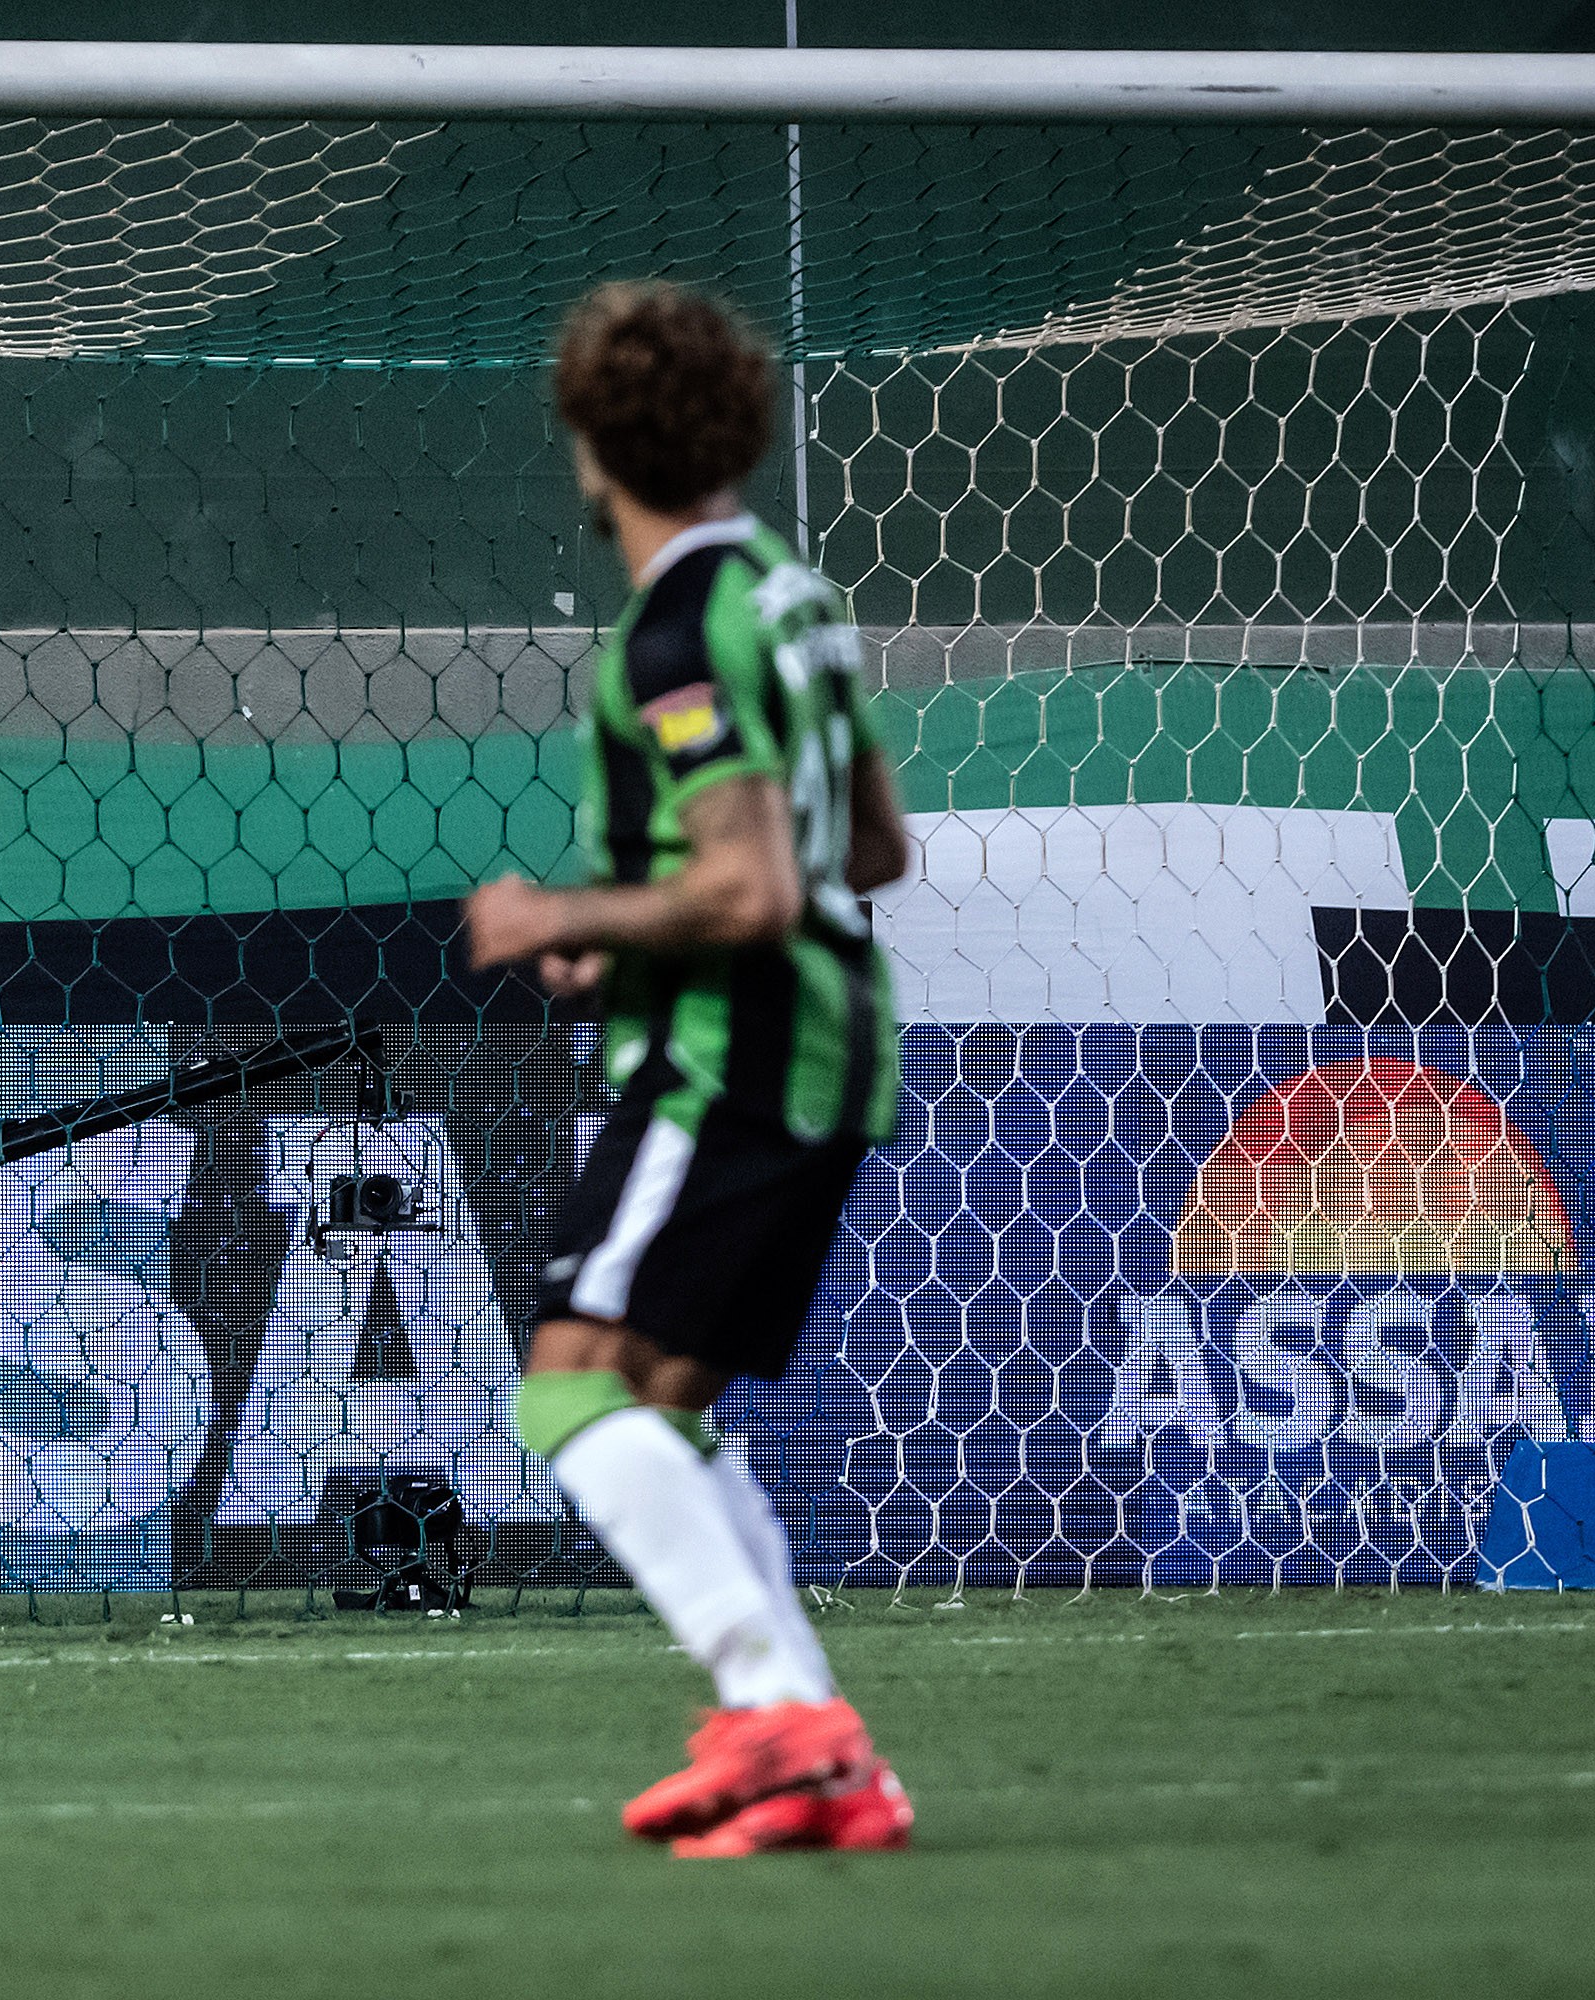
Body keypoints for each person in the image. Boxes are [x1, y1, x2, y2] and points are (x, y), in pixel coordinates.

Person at [462, 282, 916, 1857]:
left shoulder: (673, 627)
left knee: (570, 1390)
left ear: (595, 443)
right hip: (834, 1039)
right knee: (665, 1403)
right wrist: (631, 932)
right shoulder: (794, 593)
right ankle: (822, 1767)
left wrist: (559, 912)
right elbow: (869, 846)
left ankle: (774, 1705)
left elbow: (753, 889)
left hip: (738, 1048)